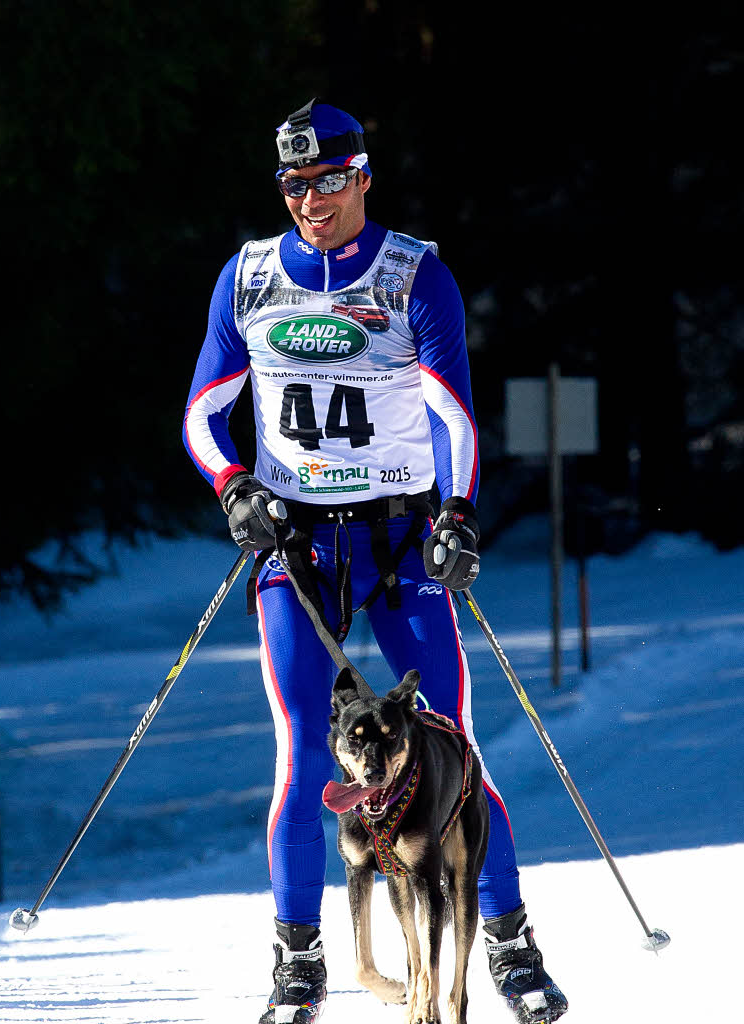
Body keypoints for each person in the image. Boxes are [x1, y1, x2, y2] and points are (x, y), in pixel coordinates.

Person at [183, 99, 568, 1024]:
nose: (308, 199)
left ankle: (509, 944)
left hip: (397, 538)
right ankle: (299, 957)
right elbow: (203, 411)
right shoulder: (248, 276)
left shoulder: (413, 275)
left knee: (456, 749)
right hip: (297, 542)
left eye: (325, 180)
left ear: (361, 176)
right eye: (291, 183)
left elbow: (454, 414)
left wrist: (458, 514)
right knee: (298, 750)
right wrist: (236, 484)